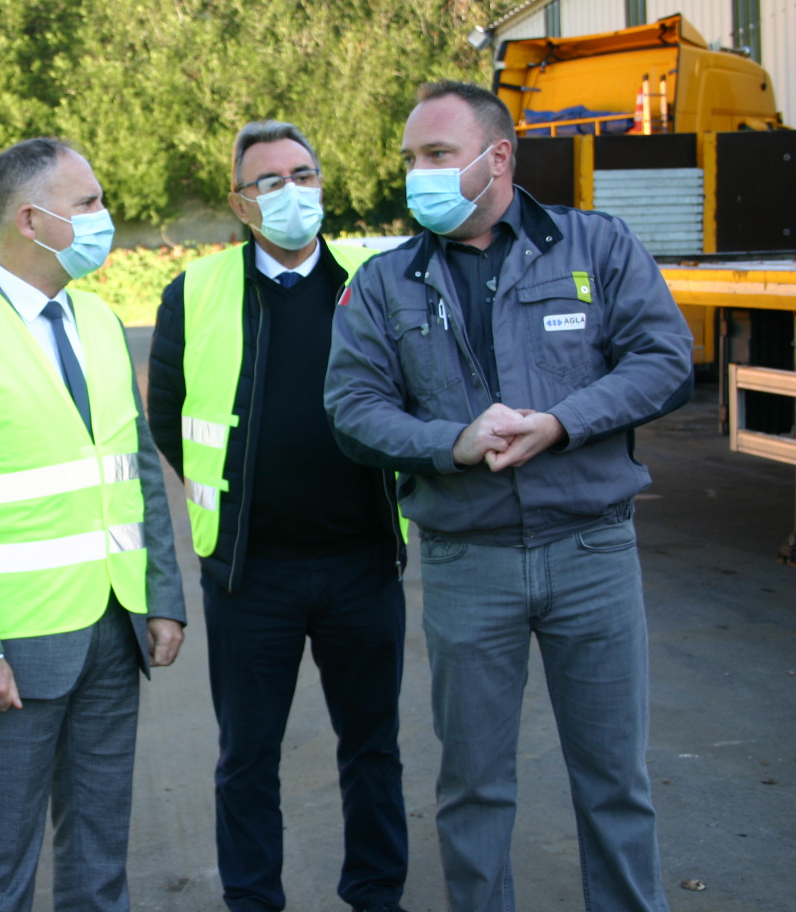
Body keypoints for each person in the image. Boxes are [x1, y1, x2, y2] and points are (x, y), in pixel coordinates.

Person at [326, 81, 693, 912]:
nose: (416, 174)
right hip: (467, 561)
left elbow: (664, 360)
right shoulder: (384, 283)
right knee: (474, 789)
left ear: (498, 158)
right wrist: (447, 444)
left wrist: (562, 422)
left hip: (593, 552)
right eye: (411, 158)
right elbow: (352, 410)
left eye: (436, 156)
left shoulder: (595, 247)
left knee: (614, 784)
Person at [0, 136, 187, 912]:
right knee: (2, 864)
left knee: (100, 857)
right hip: (12, 651)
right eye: (87, 202)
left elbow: (133, 470)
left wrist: (161, 595)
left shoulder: (96, 320)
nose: (104, 217)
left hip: (113, 630)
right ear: (31, 219)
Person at [147, 120, 409, 912]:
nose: (290, 192)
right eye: (268, 181)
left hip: (362, 566)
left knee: (372, 751)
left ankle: (375, 894)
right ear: (239, 202)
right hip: (249, 575)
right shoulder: (197, 290)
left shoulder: (375, 278)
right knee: (247, 759)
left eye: (303, 174)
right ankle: (253, 900)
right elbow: (168, 415)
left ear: (322, 183)